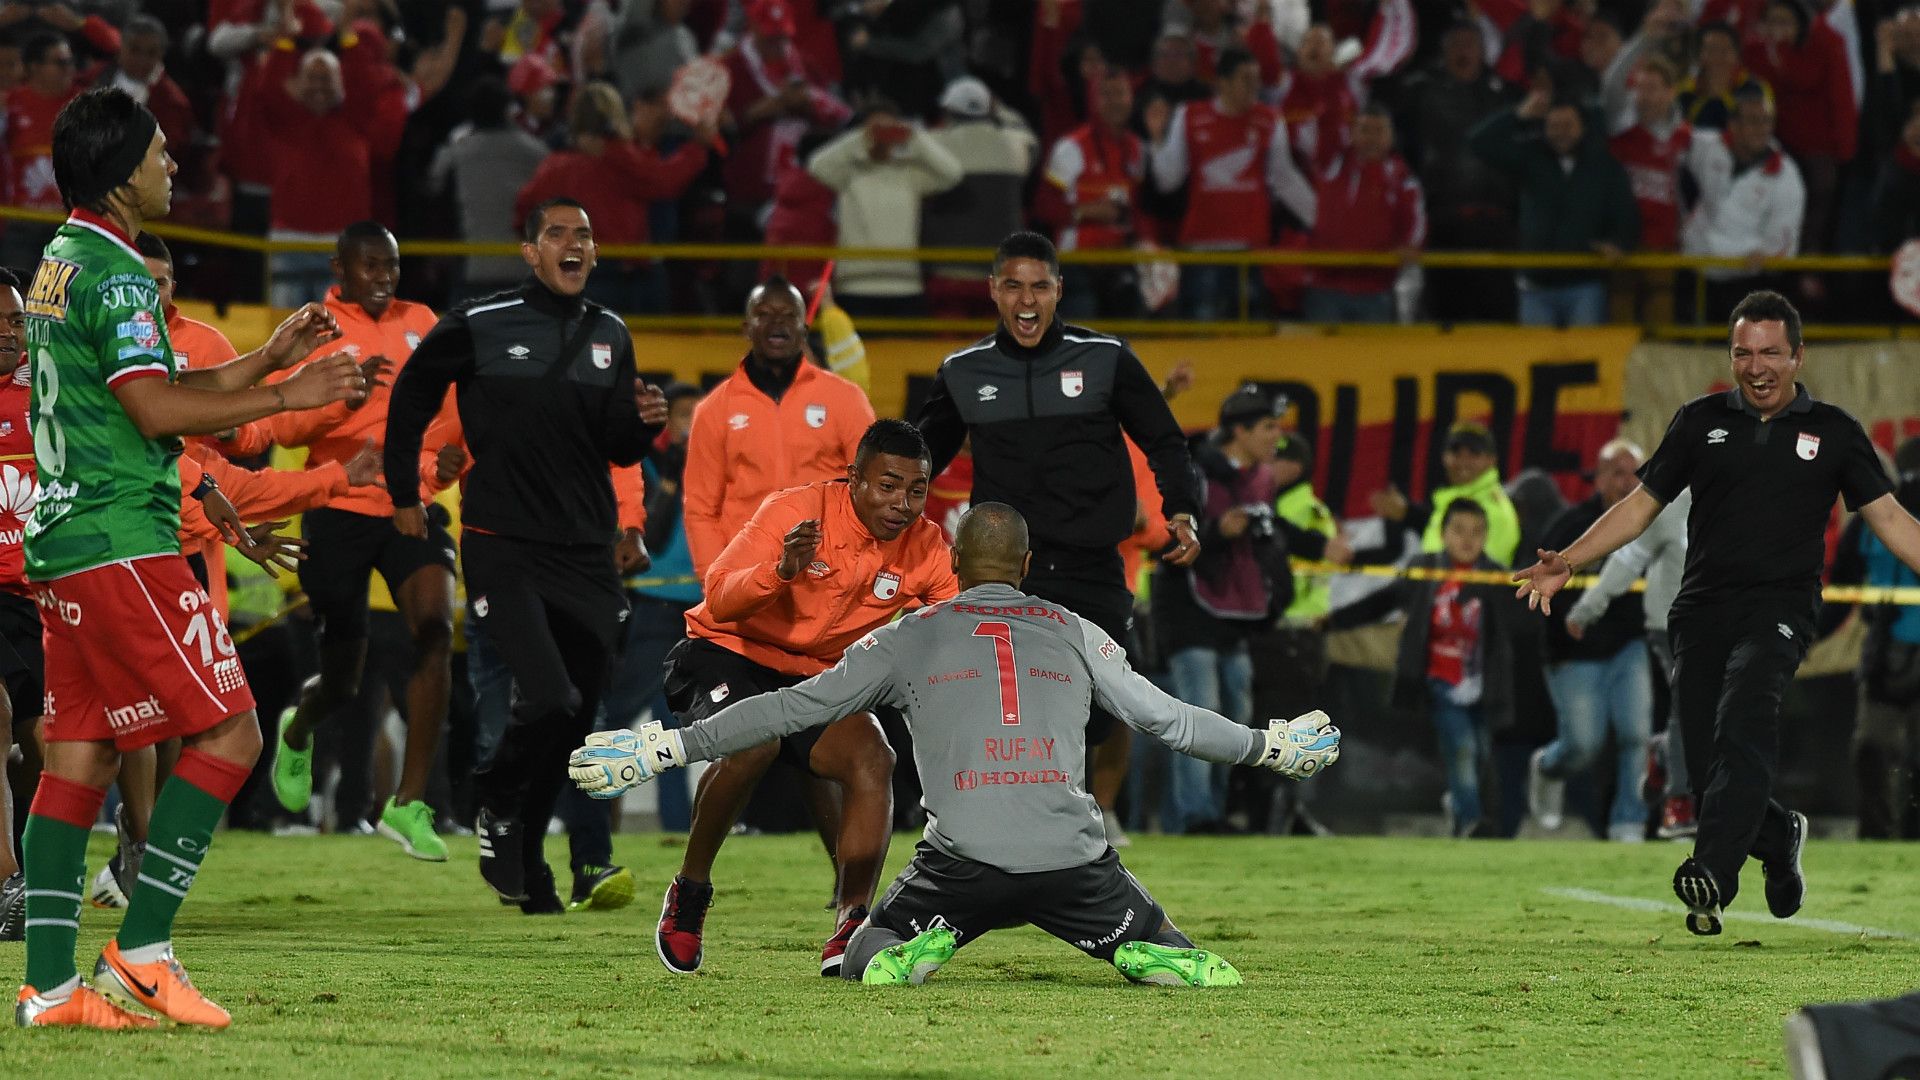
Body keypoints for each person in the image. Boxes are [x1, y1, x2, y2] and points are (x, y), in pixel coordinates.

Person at [570, 503, 1342, 986]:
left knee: (865, 956)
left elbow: (786, 709)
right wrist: (1270, 745)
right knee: (1150, 931)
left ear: (957, 565)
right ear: (1029, 568)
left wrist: (667, 746)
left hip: (961, 865)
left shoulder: (907, 638)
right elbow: (1168, 720)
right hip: (1075, 864)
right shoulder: (1077, 631)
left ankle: (913, 945)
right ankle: (1140, 944)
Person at [16, 87, 368, 1030]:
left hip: (61, 539)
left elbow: (148, 385)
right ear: (125, 171)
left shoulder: (59, 259)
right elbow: (157, 413)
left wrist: (262, 359)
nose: (176, 165)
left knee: (77, 760)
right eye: (163, 153)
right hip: (125, 535)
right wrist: (290, 391)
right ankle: (142, 953)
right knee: (234, 734)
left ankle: (49, 991)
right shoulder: (123, 277)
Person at [1514, 290, 1920, 936]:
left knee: (1745, 722)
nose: (1756, 366)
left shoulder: (1835, 432)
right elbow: (1640, 508)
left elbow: (1893, 521)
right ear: (1731, 356)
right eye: (1743, 352)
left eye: (1770, 353)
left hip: (1781, 609)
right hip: (1701, 610)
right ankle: (1779, 833)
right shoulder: (1699, 422)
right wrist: (1570, 558)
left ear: (1797, 357)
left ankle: (1714, 874)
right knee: (1705, 768)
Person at [382, 195, 668, 913]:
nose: (574, 244)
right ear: (530, 252)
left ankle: (528, 852)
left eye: (585, 234)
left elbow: (614, 444)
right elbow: (411, 394)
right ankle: (498, 803)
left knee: (577, 716)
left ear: (594, 254)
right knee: (548, 695)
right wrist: (403, 492)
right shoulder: (479, 323)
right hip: (500, 544)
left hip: (584, 553)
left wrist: (644, 429)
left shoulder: (610, 333)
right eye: (557, 234)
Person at [915, 230, 1202, 847]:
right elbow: (921, 458)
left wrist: (1182, 509)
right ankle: (1015, 825)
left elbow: (1165, 440)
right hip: (1004, 573)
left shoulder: (1105, 357)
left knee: (1100, 708)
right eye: (1012, 285)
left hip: (1094, 564)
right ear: (993, 290)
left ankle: (1087, 808)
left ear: (1058, 291)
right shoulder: (964, 373)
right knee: (1007, 702)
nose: (1026, 299)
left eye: (1039, 286)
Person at [654, 419, 957, 976]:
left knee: (874, 757)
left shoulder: (928, 547)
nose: (903, 504)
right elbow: (718, 597)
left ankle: (853, 922)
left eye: (917, 490)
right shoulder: (794, 511)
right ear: (854, 480)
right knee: (753, 743)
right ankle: (690, 890)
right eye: (887, 486)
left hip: (815, 679)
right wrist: (779, 571)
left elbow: (958, 626)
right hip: (727, 651)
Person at [224, 221, 458, 864]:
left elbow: (450, 411)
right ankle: (298, 728)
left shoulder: (425, 320)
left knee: (435, 631)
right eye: (371, 266)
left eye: (392, 264)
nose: (384, 276)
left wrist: (439, 468)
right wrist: (341, 397)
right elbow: (284, 422)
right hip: (335, 504)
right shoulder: (316, 327)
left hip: (409, 506)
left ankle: (409, 803)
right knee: (344, 680)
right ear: (340, 268)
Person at [1328, 500, 1516, 837]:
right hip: (1440, 680)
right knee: (1462, 748)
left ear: (1487, 536)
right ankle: (1473, 822)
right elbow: (1382, 601)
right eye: (1459, 530)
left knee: (1481, 754)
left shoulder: (1496, 577)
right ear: (1443, 534)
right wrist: (1334, 620)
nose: (1467, 539)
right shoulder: (1425, 570)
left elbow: (1516, 626)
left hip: (1483, 685)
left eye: (1476, 532)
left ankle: (1459, 806)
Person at [1527, 438, 1653, 841]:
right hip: (1576, 650)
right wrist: (1559, 645)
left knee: (1637, 735)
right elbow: (1543, 588)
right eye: (1617, 471)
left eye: (1635, 471)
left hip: (1629, 646)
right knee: (1583, 745)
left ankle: (1628, 821)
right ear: (1598, 478)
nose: (1627, 480)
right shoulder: (1569, 525)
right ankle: (1547, 766)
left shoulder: (1655, 524)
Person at [1565, 488, 1697, 839]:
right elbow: (1628, 558)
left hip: (1725, 626)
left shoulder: (1751, 502)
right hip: (1671, 625)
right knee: (1692, 701)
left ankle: (1667, 753)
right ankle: (1680, 800)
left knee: (1720, 710)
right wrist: (1589, 607)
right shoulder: (1675, 505)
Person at [1371, 421, 1523, 567]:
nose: (1463, 461)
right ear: (1444, 457)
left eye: (1474, 453)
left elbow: (1473, 574)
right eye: (1456, 452)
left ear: (1491, 460)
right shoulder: (1458, 500)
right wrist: (1409, 514)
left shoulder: (1492, 511)